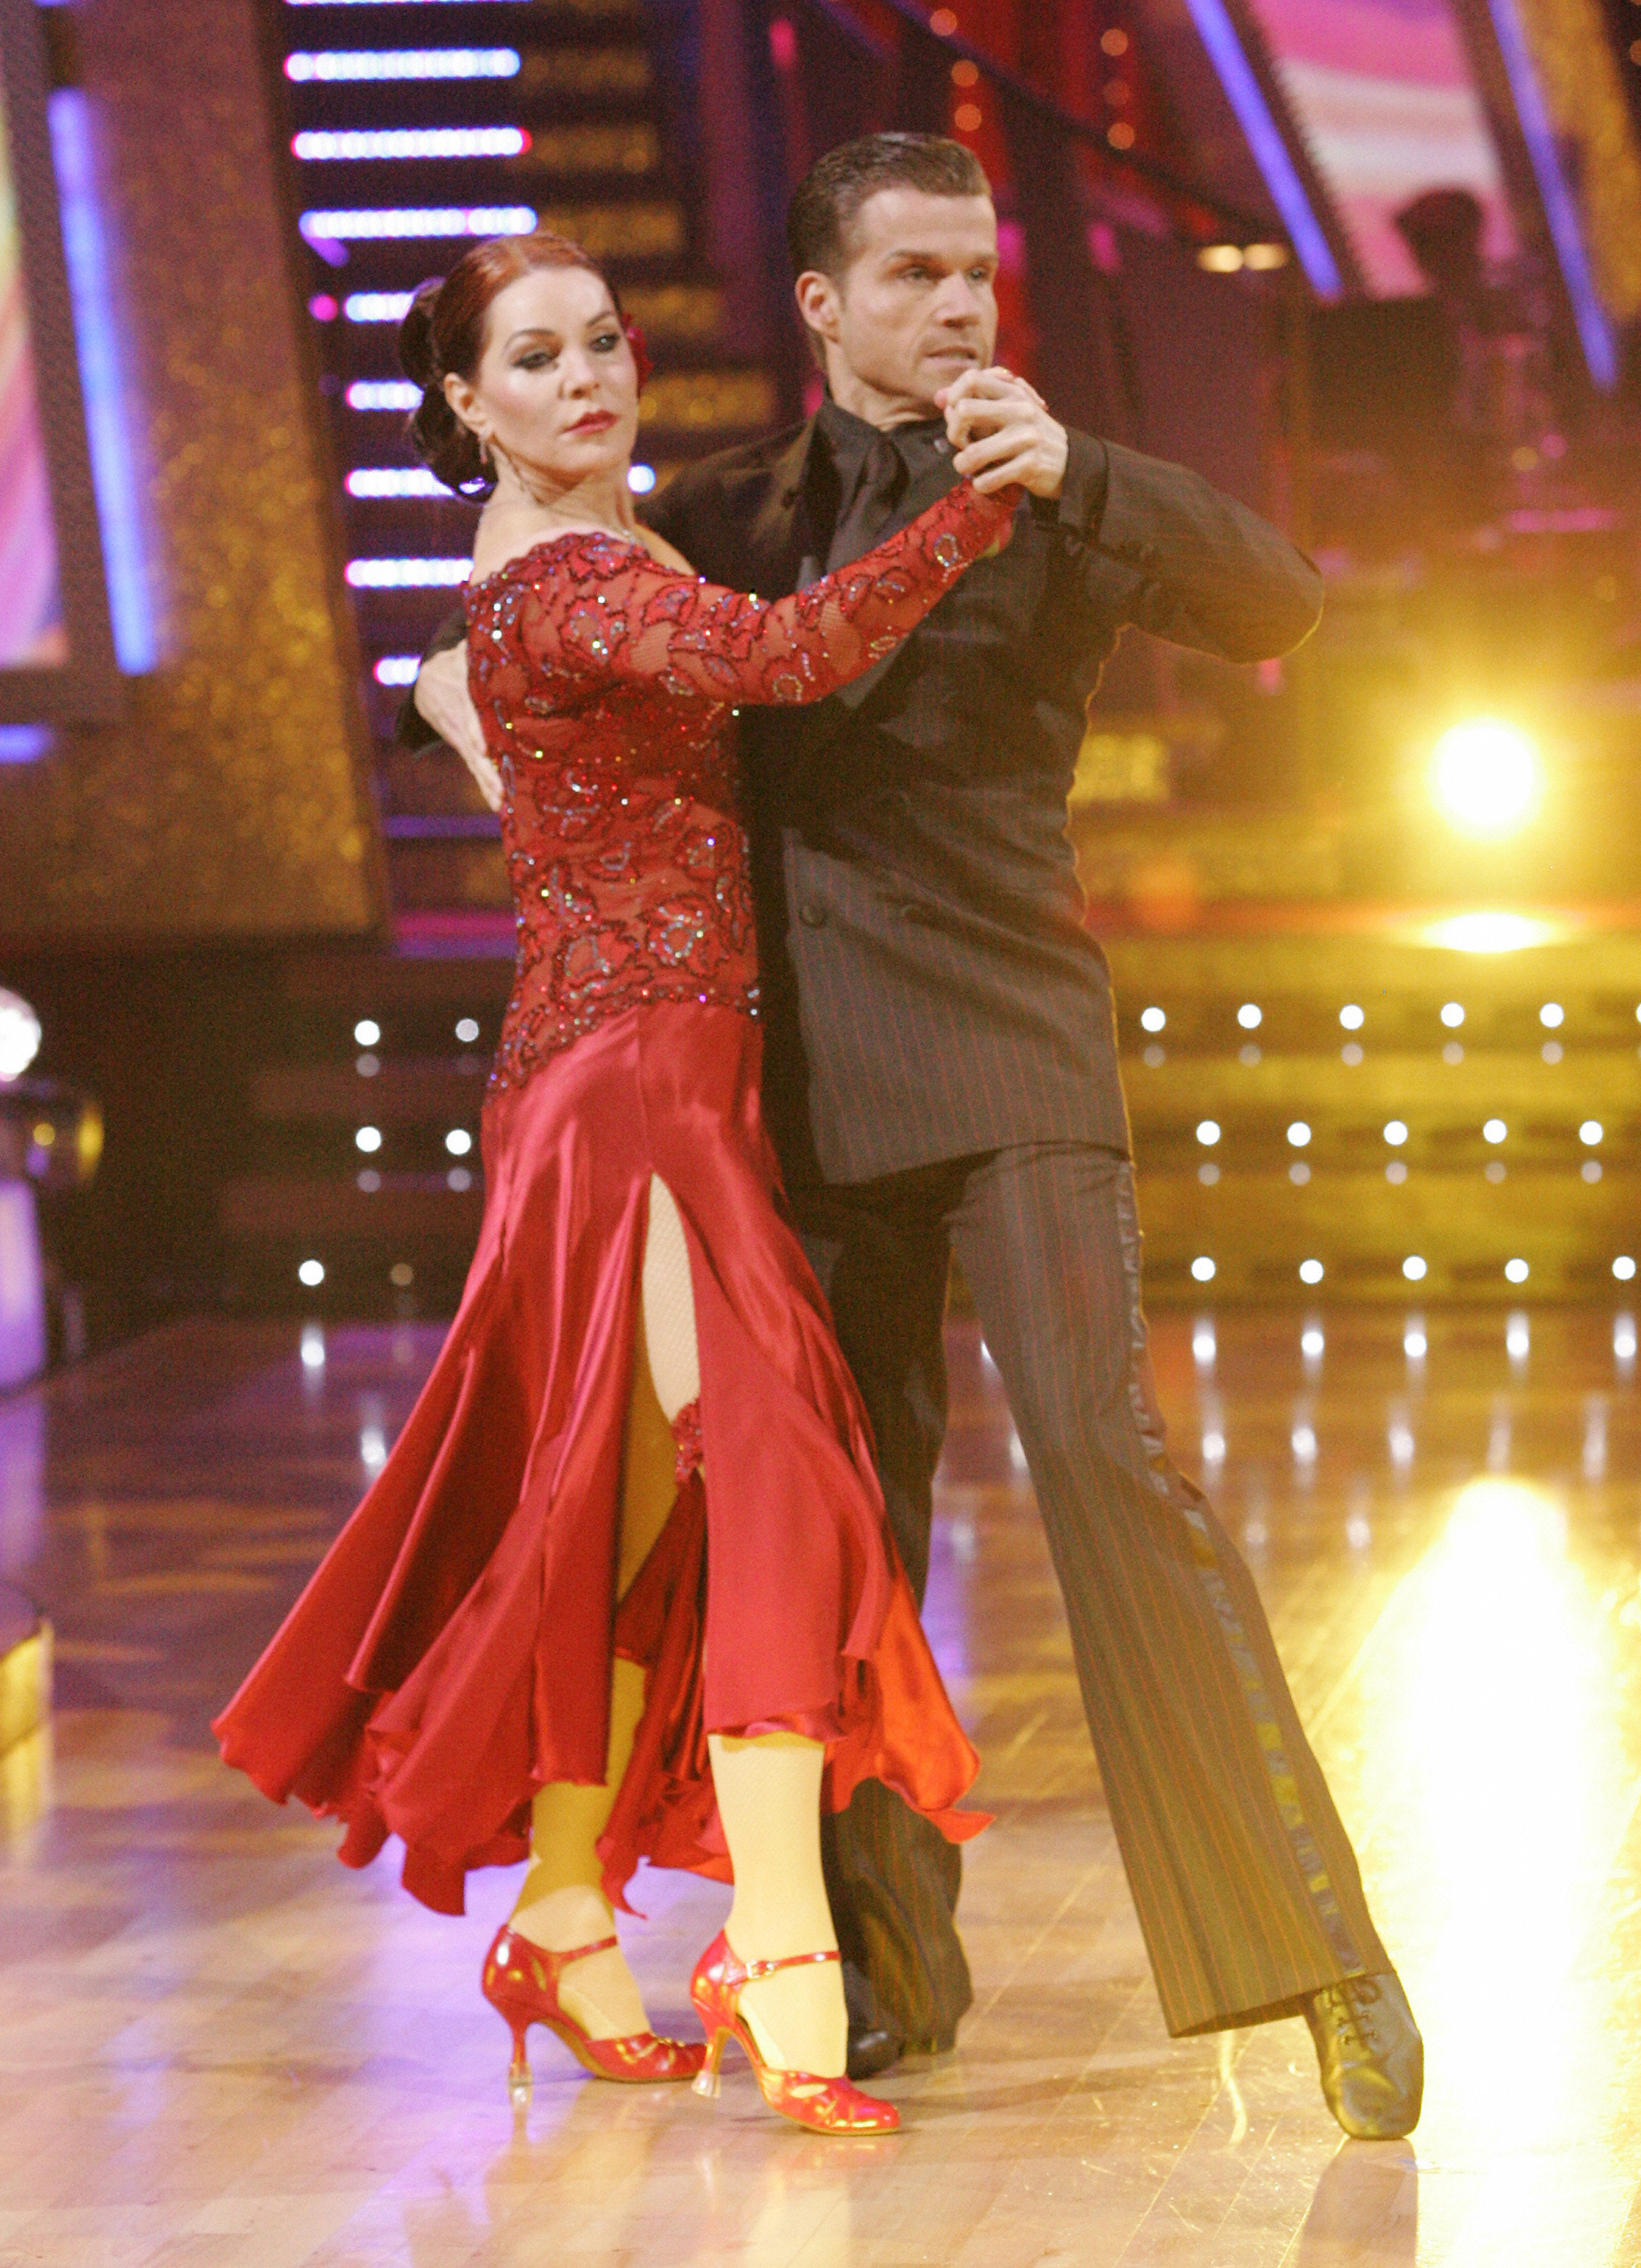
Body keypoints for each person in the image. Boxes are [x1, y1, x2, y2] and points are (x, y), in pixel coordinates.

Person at [412, 135, 1423, 2142]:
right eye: (915, 277)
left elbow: (1279, 600)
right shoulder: (720, 515)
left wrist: (1088, 474)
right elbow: (488, 663)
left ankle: (1322, 1961)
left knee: (1109, 1469)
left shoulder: (1048, 489)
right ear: (820, 304)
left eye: (979, 273)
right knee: (834, 1540)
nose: (961, 309)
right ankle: (880, 1975)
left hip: (1016, 1066)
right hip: (798, 1108)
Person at [215, 224, 1026, 2138]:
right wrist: (979, 512)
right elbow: (793, 652)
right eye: (537, 361)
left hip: (656, 1074)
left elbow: (557, 720)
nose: (586, 379)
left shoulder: (588, 562)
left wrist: (456, 704)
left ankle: (567, 1920)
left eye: (603, 345)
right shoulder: (573, 580)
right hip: (631, 1091)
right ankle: (780, 1949)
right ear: (467, 406)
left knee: (632, 1521)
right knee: (778, 1488)